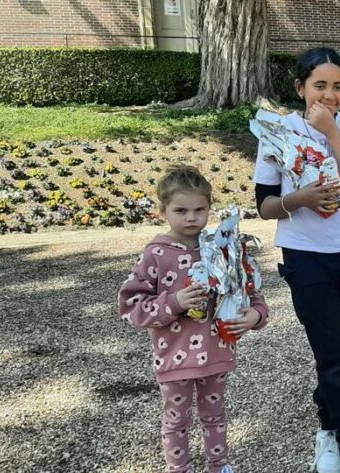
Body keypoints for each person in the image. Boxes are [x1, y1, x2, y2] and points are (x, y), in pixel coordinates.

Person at [252, 47, 340, 473]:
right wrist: (299, 199)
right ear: (300, 88)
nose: (329, 94)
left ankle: (326, 430)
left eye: (338, 86)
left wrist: (331, 133)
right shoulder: (277, 131)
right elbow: (264, 205)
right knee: (334, 353)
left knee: (337, 348)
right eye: (319, 85)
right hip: (304, 255)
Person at [118, 165, 269, 473]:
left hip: (217, 352)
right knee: (176, 421)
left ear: (209, 208)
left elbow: (249, 289)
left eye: (200, 209)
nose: (191, 218)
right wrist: (174, 302)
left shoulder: (221, 248)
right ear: (163, 211)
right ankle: (178, 469)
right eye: (181, 210)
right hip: (174, 358)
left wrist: (255, 315)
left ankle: (220, 465)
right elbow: (131, 304)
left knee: (215, 415)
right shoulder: (156, 255)